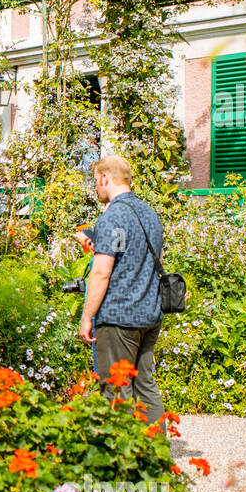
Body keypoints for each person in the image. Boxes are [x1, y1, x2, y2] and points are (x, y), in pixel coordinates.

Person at [76, 156, 166, 424]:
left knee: (117, 389)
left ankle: (121, 460)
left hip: (119, 318)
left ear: (105, 178)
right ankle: (154, 455)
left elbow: (102, 272)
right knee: (145, 386)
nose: (96, 187)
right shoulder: (149, 214)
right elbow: (148, 259)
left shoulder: (113, 216)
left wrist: (86, 316)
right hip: (149, 315)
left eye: (95, 181)